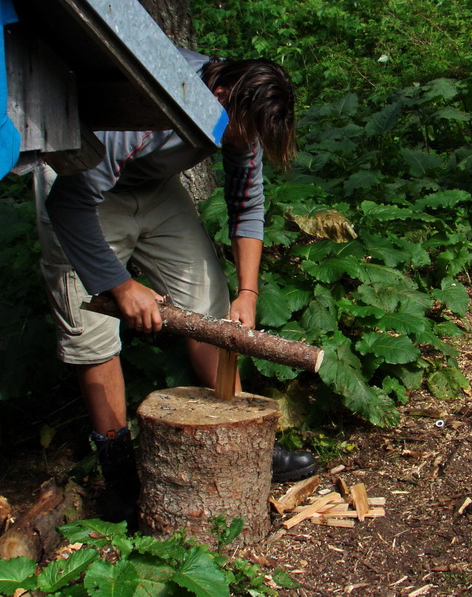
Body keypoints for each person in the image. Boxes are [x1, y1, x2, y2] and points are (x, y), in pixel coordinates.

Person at [36, 48, 317, 524]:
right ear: (219, 95)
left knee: (210, 311)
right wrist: (121, 286)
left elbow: (246, 205)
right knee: (93, 336)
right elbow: (68, 203)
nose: (241, 143)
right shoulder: (138, 107)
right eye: (239, 132)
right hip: (80, 191)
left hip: (154, 187)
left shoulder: (240, 113)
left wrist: (246, 293)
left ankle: (247, 443)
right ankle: (120, 474)